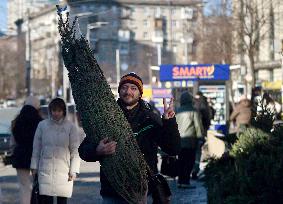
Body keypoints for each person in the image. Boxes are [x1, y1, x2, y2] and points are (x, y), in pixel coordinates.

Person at [78, 72, 181, 203]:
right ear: (119, 91)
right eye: (124, 87)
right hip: (113, 192)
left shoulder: (150, 119)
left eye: (133, 88)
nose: (128, 91)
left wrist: (169, 122)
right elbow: (83, 151)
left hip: (144, 192)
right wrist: (97, 150)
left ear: (140, 93)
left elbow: (173, 149)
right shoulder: (106, 119)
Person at [30, 98, 81, 204]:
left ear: (63, 111)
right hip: (45, 170)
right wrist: (34, 166)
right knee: (45, 200)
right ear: (50, 111)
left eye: (59, 111)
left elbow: (75, 150)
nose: (56, 113)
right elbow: (37, 148)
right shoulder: (42, 125)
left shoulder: (70, 127)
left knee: (62, 201)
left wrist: (74, 170)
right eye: (54, 110)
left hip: (64, 171)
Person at [10, 96, 43, 204]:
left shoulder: (16, 121)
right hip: (36, 157)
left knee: (24, 187)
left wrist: (13, 153)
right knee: (38, 186)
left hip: (20, 157)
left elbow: (13, 142)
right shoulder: (41, 122)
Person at [176, 91, 204, 188]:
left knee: (181, 161)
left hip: (179, 141)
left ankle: (180, 181)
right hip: (190, 140)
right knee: (189, 161)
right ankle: (186, 182)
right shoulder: (193, 111)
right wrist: (201, 138)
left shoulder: (177, 111)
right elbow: (198, 126)